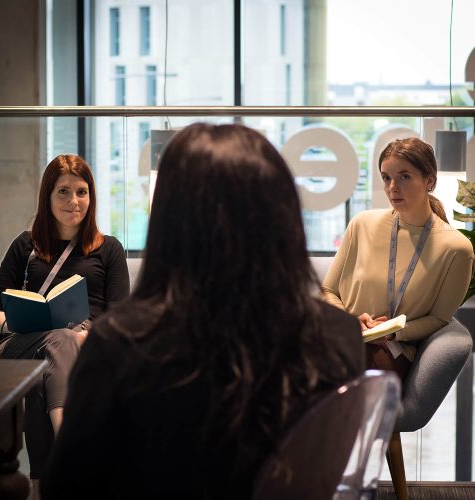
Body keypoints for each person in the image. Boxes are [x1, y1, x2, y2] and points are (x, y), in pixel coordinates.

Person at [41, 123, 364, 500]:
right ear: (283, 216)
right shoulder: (339, 336)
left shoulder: (120, 342)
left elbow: (66, 486)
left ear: (169, 220)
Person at [0, 154, 130, 497]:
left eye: (81, 192)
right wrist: (16, 322)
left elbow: (120, 315)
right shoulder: (25, 245)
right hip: (20, 343)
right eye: (63, 192)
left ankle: (41, 487)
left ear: (91, 197)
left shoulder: (109, 249)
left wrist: (87, 337)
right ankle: (70, 453)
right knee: (57, 342)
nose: (73, 201)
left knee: (45, 372)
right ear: (47, 196)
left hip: (84, 346)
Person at [321, 137, 474, 381]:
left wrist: (394, 332)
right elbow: (328, 290)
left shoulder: (457, 248)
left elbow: (439, 318)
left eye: (404, 176)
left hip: (393, 349)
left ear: (429, 181)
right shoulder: (362, 224)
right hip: (343, 336)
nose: (393, 186)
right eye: (386, 177)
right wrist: (350, 322)